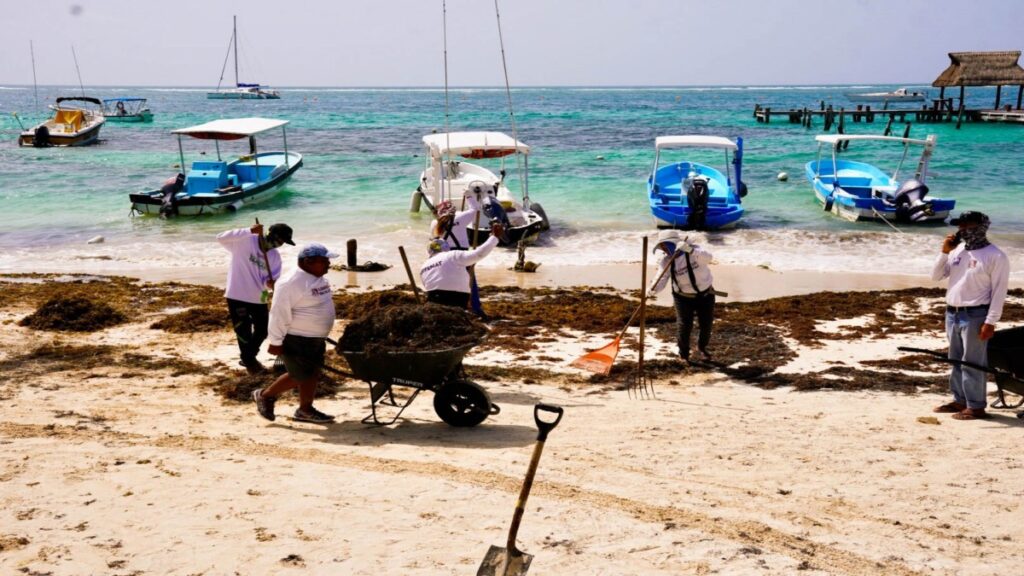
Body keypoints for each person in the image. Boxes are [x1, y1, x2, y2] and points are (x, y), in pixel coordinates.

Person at [931, 211, 1010, 421]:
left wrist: (991, 321)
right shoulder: (958, 251)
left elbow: (999, 292)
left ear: (982, 226)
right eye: (961, 225)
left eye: (968, 225)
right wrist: (944, 253)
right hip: (952, 313)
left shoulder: (996, 256)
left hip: (976, 315)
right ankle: (960, 400)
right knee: (955, 360)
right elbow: (936, 276)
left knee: (972, 362)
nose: (963, 229)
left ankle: (976, 406)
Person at [253, 243, 339, 424]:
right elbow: (278, 313)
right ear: (308, 262)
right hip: (296, 338)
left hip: (315, 338)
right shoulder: (290, 282)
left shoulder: (317, 277)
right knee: (300, 375)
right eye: (324, 261)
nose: (329, 264)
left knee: (312, 372)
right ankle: (265, 395)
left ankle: (305, 410)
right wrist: (275, 341)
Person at [217, 222, 294, 374]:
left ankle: (247, 357)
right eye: (280, 240)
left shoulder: (274, 257)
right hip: (237, 294)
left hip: (258, 297)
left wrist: (270, 283)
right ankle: (250, 362)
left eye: (283, 243)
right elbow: (220, 238)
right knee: (243, 330)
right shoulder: (245, 240)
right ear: (271, 235)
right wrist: (248, 230)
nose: (280, 244)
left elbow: (270, 281)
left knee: (263, 330)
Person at [650, 229, 716, 363]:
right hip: (682, 297)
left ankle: (702, 348)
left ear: (674, 243)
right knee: (684, 325)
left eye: (665, 245)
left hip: (706, 294)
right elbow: (661, 279)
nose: (663, 249)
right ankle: (684, 354)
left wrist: (689, 250)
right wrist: (651, 290)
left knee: (706, 324)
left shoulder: (694, 251)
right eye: (662, 247)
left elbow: (709, 258)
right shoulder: (666, 261)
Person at [431, 182, 491, 315]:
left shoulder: (435, 224)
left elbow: (434, 242)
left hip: (444, 256)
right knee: (470, 281)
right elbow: (475, 210)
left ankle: (452, 307)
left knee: (450, 281)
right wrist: (469, 196)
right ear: (452, 210)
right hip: (462, 254)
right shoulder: (460, 217)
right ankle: (476, 308)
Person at [420, 220, 503, 309]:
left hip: (432, 298)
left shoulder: (424, 266)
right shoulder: (453, 255)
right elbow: (479, 254)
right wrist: (494, 237)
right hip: (456, 297)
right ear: (446, 247)